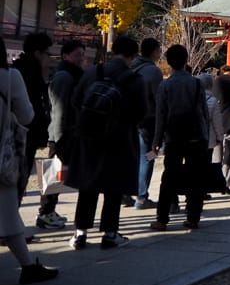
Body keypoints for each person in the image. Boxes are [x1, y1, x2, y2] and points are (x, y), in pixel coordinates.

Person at [67, 35, 147, 250]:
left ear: (112, 51)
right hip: (119, 138)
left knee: (88, 185)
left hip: (89, 136)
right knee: (114, 186)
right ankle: (110, 233)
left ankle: (80, 233)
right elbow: (141, 112)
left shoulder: (93, 72)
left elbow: (75, 100)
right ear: (132, 55)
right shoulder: (133, 79)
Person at [0, 37, 59, 284]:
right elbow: (26, 115)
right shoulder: (11, 77)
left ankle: (28, 266)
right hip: (4, 156)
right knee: (8, 212)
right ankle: (27, 266)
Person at [150, 45, 210, 231]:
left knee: (169, 177)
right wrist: (205, 134)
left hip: (174, 135)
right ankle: (193, 217)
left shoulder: (165, 85)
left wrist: (156, 141)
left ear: (169, 63)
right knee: (196, 177)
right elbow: (203, 112)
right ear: (186, 61)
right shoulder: (196, 83)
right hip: (195, 135)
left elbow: (160, 115)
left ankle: (162, 218)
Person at [41, 38, 86, 230]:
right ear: (65, 56)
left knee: (59, 174)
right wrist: (58, 138)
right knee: (54, 174)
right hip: (60, 134)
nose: (81, 59)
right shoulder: (65, 77)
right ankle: (45, 213)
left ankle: (49, 211)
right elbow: (59, 108)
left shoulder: (71, 75)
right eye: (77, 55)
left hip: (66, 132)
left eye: (83, 55)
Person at [12, 33, 53, 217]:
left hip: (17, 135)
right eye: (47, 53)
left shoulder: (18, 69)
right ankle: (9, 227)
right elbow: (30, 111)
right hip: (22, 136)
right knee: (17, 180)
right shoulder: (29, 74)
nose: (49, 58)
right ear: (38, 53)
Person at [130, 37, 163, 209]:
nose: (160, 53)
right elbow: (159, 99)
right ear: (153, 51)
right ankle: (141, 197)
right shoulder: (153, 72)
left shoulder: (132, 67)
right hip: (148, 120)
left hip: (129, 119)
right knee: (147, 157)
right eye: (159, 50)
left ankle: (127, 193)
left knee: (132, 157)